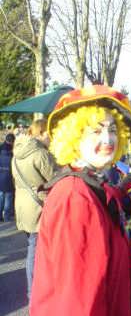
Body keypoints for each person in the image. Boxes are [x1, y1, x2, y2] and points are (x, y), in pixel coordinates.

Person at [30, 85, 131, 316]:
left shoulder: (90, 184)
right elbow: (77, 301)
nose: (109, 138)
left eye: (111, 129)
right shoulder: (75, 197)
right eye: (96, 131)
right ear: (74, 136)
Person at [12, 119, 57, 299]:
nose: (51, 139)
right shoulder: (40, 154)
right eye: (49, 135)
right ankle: (34, 293)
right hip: (38, 206)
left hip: (23, 205)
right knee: (36, 249)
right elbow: (55, 179)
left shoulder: (17, 152)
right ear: (43, 133)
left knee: (32, 245)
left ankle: (35, 290)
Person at [0, 133, 15, 222]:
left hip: (0, 175)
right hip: (9, 176)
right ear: (12, 141)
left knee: (1, 196)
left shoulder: (0, 148)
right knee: (8, 197)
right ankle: (7, 216)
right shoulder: (13, 151)